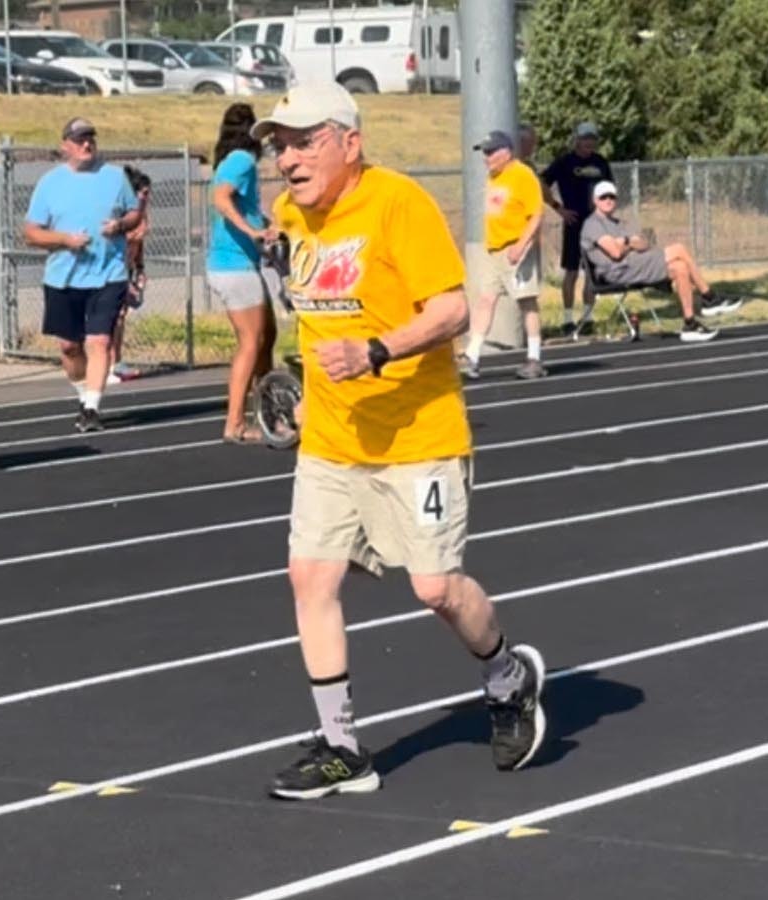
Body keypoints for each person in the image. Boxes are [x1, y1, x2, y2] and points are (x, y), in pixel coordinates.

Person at [250, 84, 548, 799]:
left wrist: (377, 352)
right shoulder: (292, 214)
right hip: (331, 440)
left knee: (436, 589)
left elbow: (450, 308)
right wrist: (299, 395)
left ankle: (509, 677)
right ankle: (342, 747)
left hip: (419, 437)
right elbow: (320, 322)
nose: (288, 159)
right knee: (309, 577)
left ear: (350, 142)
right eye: (279, 145)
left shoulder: (397, 203)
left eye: (304, 141)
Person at [23, 116, 144, 432]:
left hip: (109, 273)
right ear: (66, 146)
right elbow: (32, 232)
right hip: (63, 277)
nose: (86, 144)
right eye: (79, 139)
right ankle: (82, 394)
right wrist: (64, 240)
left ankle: (91, 409)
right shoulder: (50, 183)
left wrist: (119, 225)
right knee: (69, 347)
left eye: (90, 138)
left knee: (100, 341)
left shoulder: (115, 177)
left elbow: (134, 214)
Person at [580, 180, 742, 343]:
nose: (608, 200)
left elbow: (643, 243)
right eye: (603, 197)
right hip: (618, 271)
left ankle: (690, 323)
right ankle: (709, 297)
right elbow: (615, 253)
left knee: (680, 267)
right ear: (595, 200)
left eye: (611, 197)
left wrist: (625, 241)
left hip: (635, 265)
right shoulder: (592, 224)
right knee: (679, 249)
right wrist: (630, 242)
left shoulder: (620, 223)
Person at [208, 102, 278, 443]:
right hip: (232, 264)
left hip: (241, 263)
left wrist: (266, 226)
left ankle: (266, 413)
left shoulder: (230, 162)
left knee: (267, 338)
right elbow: (222, 200)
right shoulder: (241, 161)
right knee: (251, 342)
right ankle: (235, 423)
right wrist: (251, 233)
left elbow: (246, 209)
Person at [462, 129, 547, 380]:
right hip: (494, 250)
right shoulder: (493, 178)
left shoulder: (522, 175)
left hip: (516, 249)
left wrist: (521, 245)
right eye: (484, 153)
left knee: (526, 302)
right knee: (486, 299)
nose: (486, 158)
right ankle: (473, 354)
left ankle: (534, 357)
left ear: (505, 152)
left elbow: (536, 214)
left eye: (490, 152)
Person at [540, 122, 613, 336]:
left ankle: (588, 318)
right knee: (571, 271)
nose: (589, 142)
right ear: (577, 139)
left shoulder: (600, 162)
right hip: (573, 223)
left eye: (592, 138)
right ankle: (568, 319)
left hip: (596, 224)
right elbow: (540, 182)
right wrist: (557, 207)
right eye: (585, 138)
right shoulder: (565, 162)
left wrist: (606, 214)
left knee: (592, 272)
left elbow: (610, 189)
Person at [107, 165, 152, 385]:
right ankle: (107, 365)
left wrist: (140, 269)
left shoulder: (142, 214)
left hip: (128, 269)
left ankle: (117, 361)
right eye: (142, 193)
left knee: (121, 316)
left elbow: (139, 244)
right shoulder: (124, 215)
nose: (146, 197)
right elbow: (125, 242)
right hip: (114, 269)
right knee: (113, 317)